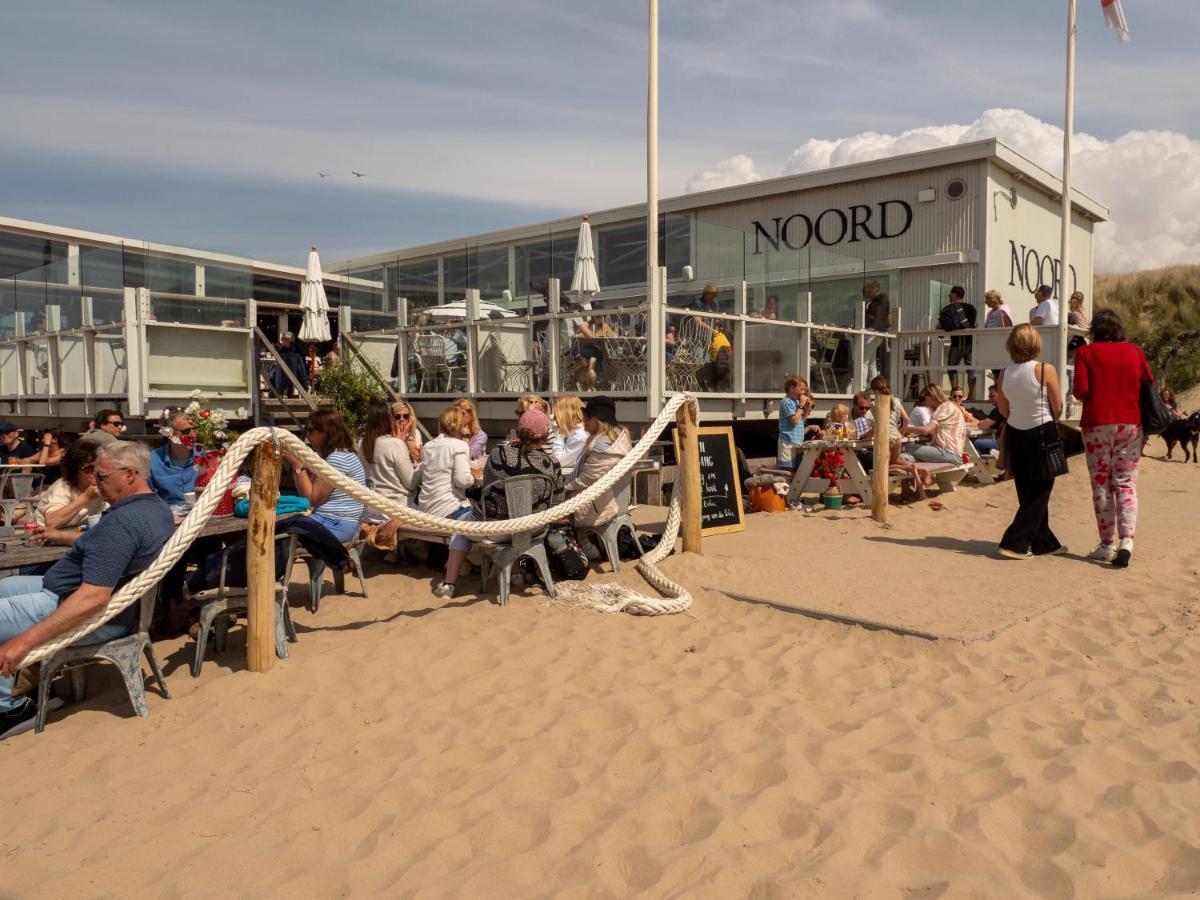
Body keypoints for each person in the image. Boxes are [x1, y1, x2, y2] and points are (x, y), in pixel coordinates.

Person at [0, 441, 174, 738]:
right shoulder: (156, 508)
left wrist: (24, 642)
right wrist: (63, 536)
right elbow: (102, 548)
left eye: (101, 476)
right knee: (5, 587)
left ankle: (10, 710)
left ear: (130, 474)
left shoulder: (123, 522)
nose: (95, 482)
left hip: (82, 609)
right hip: (77, 596)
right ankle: (30, 686)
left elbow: (93, 597)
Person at [1072, 309, 1154, 567]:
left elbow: (1080, 391)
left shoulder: (1086, 353)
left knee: (1101, 482)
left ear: (1094, 329)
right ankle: (1127, 540)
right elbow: (1148, 382)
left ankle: (1107, 544)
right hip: (1130, 422)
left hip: (1097, 422)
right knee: (1126, 482)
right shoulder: (1135, 351)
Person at [995, 324, 1065, 559]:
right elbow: (1058, 407)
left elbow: (1003, 408)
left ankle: (1043, 541)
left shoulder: (1004, 372)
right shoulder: (1045, 369)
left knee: (1026, 488)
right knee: (1042, 489)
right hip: (1042, 430)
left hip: (1016, 431)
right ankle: (1014, 541)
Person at [411, 406, 475, 598]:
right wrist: (472, 478)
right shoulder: (459, 446)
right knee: (475, 518)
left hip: (426, 508)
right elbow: (463, 480)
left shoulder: (429, 446)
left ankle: (459, 563)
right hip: (447, 509)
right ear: (461, 426)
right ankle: (454, 575)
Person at [566, 396, 633, 532]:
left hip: (597, 508)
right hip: (606, 501)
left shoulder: (603, 446)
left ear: (598, 419)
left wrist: (562, 489)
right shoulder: (614, 439)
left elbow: (586, 480)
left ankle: (586, 548)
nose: (583, 421)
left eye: (587, 418)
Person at [33, 441, 107, 540]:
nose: (94, 474)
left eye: (97, 468)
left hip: (76, 535)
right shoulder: (62, 487)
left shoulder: (103, 485)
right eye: (88, 469)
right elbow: (52, 522)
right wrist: (86, 496)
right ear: (74, 471)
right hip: (44, 538)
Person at [902, 385, 966, 464]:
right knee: (910, 457)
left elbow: (926, 430)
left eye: (924, 398)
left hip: (948, 453)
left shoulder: (942, 408)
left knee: (906, 446)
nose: (924, 401)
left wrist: (905, 427)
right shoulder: (952, 406)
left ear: (931, 396)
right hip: (957, 455)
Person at [149, 409, 198, 505]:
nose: (193, 435)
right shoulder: (153, 460)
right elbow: (148, 497)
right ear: (168, 433)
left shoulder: (206, 456)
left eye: (195, 429)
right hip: (168, 515)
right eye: (186, 431)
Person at [936, 286, 977, 394]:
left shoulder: (946, 309)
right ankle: (971, 395)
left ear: (954, 295)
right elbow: (973, 325)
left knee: (952, 367)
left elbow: (938, 327)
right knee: (971, 368)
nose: (949, 297)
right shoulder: (971, 308)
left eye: (950, 295)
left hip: (955, 344)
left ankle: (955, 393)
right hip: (969, 344)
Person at [777, 376, 814, 468]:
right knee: (787, 470)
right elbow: (793, 420)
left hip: (798, 442)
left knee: (798, 471)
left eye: (804, 390)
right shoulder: (786, 402)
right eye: (801, 389)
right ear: (791, 388)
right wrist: (801, 405)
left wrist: (807, 408)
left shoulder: (796, 402)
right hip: (787, 442)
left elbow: (801, 421)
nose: (803, 393)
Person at [862, 280, 890, 381]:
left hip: (876, 332)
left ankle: (862, 386)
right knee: (871, 362)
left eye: (869, 291)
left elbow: (880, 314)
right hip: (872, 332)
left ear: (874, 290)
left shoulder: (882, 299)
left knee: (863, 360)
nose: (867, 294)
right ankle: (874, 387)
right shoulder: (871, 302)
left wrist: (873, 327)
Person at [553, 396, 588, 471]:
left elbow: (558, 461)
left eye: (556, 415)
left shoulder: (579, 437)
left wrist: (559, 433)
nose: (554, 418)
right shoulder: (578, 432)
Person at [271, 331, 308, 396]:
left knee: (275, 373)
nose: (281, 341)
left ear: (287, 340)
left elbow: (301, 366)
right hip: (288, 373)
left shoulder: (297, 350)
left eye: (283, 339)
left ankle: (279, 391)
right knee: (273, 374)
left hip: (294, 373)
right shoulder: (283, 349)